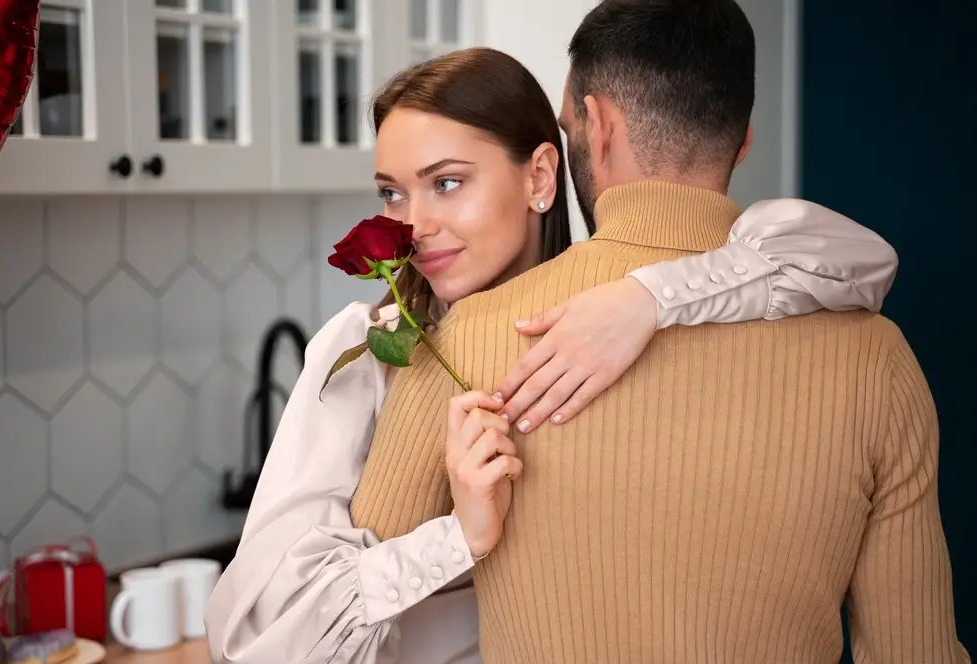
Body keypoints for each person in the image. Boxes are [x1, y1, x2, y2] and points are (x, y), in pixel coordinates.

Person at [205, 48, 900, 664]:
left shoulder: (609, 319)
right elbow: (265, 637)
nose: (412, 224)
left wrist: (649, 300)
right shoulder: (371, 351)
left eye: (447, 182)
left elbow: (852, 258)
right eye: (393, 192)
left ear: (541, 177)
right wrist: (458, 538)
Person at [349, 3, 970, 664]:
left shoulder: (465, 338)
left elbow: (343, 603)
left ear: (600, 124)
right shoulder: (878, 358)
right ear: (744, 141)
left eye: (567, 127)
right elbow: (915, 652)